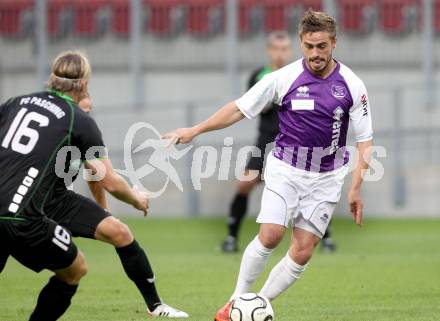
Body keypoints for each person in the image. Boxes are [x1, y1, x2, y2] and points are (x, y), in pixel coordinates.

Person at [163, 9, 373, 321]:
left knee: (302, 252)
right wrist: (195, 130)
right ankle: (236, 302)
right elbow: (238, 108)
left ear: (334, 43)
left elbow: (365, 139)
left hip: (328, 177)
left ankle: (253, 304)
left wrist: (355, 187)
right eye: (309, 46)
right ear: (301, 42)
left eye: (322, 47)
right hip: (286, 169)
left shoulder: (352, 85)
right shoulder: (282, 78)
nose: (315, 54)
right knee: (272, 234)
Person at [43, 68, 189, 318]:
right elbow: (110, 180)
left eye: (89, 111)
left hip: (57, 200)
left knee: (119, 232)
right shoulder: (52, 129)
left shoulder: (79, 131)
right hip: (27, 200)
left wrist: (104, 213)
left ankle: (155, 306)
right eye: (82, 108)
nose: (85, 114)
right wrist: (135, 199)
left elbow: (95, 176)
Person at [0, 51, 110, 321]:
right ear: (84, 84)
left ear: (52, 77)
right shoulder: (79, 120)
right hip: (22, 216)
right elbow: (108, 179)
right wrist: (135, 199)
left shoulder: (15, 103)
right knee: (75, 269)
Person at [221, 31, 337, 254]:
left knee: (310, 188)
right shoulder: (260, 76)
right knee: (245, 183)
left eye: (285, 49)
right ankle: (231, 236)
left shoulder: (301, 74)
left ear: (290, 51)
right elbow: (253, 106)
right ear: (269, 50)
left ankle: (327, 237)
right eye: (276, 48)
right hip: (266, 140)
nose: (280, 53)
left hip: (298, 141)